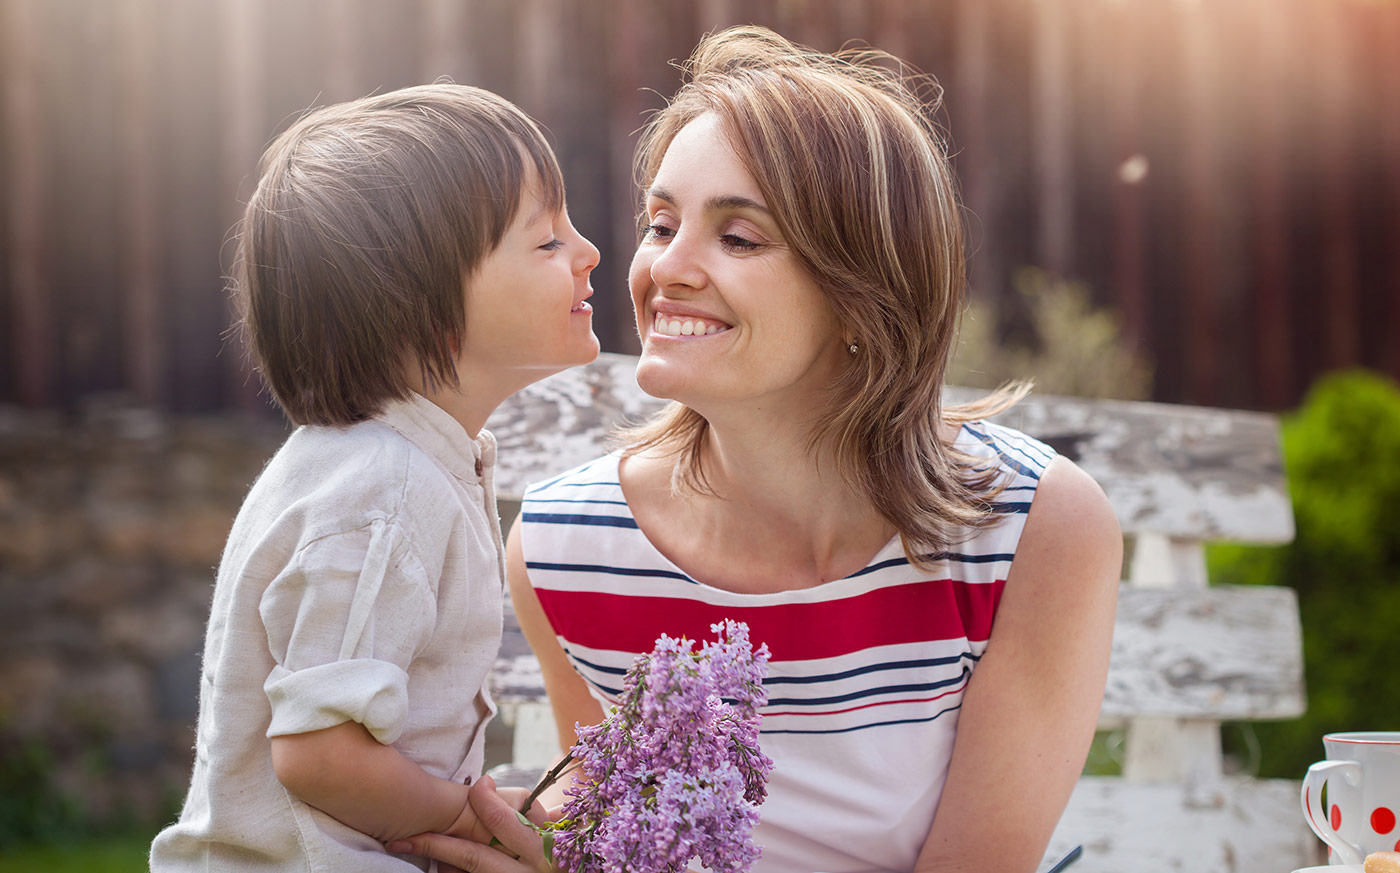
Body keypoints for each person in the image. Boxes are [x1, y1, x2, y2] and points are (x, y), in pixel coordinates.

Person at [394, 26, 1120, 873]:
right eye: (662, 224)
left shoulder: (1029, 528)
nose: (668, 267)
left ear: (864, 294)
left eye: (738, 238)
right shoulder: (567, 548)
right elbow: (619, 844)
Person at [149, 83, 599, 872]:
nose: (587, 251)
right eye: (547, 241)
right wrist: (472, 815)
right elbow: (320, 754)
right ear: (427, 309)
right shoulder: (384, 493)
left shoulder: (401, 463)